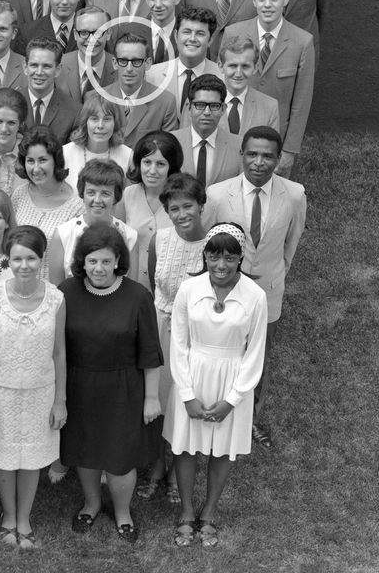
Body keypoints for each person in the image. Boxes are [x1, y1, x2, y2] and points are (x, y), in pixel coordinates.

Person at [165, 223, 268, 547]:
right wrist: (186, 394)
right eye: (213, 256)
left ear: (240, 259)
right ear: (205, 255)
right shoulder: (189, 289)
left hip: (231, 380)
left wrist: (233, 400)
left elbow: (255, 352)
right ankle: (186, 511)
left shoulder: (255, 296)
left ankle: (209, 512)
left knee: (221, 450)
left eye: (229, 258)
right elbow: (179, 344)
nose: (220, 265)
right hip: (193, 375)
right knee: (184, 446)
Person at [60, 224, 163, 543]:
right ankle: (91, 503)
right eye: (92, 261)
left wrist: (151, 397)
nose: (98, 268)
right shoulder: (66, 292)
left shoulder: (137, 296)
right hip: (79, 386)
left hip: (124, 388)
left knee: (120, 457)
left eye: (106, 261)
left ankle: (122, 511)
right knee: (86, 450)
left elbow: (150, 351)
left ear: (118, 259)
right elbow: (57, 348)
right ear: (82, 261)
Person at [205, 126, 306, 447]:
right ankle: (215, 411)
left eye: (267, 156)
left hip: (268, 292)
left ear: (278, 159)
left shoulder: (294, 194)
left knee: (258, 360)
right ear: (242, 155)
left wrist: (275, 275)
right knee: (223, 353)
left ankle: (249, 420)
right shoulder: (218, 195)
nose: (259, 162)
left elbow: (291, 244)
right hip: (225, 292)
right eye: (252, 154)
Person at [0, 225, 66, 549]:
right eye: (17, 259)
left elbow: (59, 352)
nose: (23, 265)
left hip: (41, 392)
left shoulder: (56, 298)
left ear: (41, 260)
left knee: (31, 459)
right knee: (3, 457)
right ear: (8, 260)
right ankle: (9, 515)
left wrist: (60, 401)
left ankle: (25, 517)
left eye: (30, 258)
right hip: (1, 391)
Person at [138, 172, 208, 502]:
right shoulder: (159, 240)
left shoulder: (213, 247)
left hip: (194, 337)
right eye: (174, 208)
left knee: (181, 404)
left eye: (188, 206)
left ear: (201, 205)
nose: (181, 214)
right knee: (155, 402)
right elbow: (154, 283)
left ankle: (176, 473)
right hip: (158, 327)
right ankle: (154, 467)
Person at [222, 0, 316, 175]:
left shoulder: (302, 42)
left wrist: (289, 150)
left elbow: (301, 103)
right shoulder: (233, 33)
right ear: (254, 0)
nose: (267, 4)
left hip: (275, 142)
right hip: (234, 133)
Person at [10, 127, 83, 282]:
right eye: (30, 161)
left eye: (43, 160)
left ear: (55, 160)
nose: (36, 169)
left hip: (56, 293)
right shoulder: (19, 195)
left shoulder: (77, 205)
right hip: (18, 288)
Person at [49, 159, 139, 285]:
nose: (97, 200)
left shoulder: (129, 236)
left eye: (105, 194)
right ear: (82, 193)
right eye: (91, 192)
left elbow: (132, 290)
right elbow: (56, 291)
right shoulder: (63, 234)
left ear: (116, 196)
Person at [123, 131, 184, 284]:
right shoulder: (127, 195)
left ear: (172, 167)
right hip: (133, 286)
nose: (152, 170)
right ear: (139, 163)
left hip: (171, 288)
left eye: (161, 164)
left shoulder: (183, 199)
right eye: (147, 162)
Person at [146, 5, 219, 115]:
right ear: (176, 36)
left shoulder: (223, 77)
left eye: (200, 33)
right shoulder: (151, 76)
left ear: (210, 40)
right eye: (187, 32)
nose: (192, 38)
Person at [171, 75, 242, 187]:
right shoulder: (171, 142)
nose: (207, 112)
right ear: (189, 108)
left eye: (214, 106)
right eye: (200, 105)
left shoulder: (239, 146)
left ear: (223, 109)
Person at [63, 94, 134, 188]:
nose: (100, 125)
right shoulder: (65, 153)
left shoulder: (128, 156)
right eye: (94, 119)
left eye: (107, 119)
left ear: (115, 123)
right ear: (85, 123)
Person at [215, 36, 281, 136]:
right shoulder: (202, 102)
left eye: (245, 66)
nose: (238, 73)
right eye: (233, 66)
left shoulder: (269, 107)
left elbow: (271, 149)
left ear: (255, 68)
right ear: (220, 66)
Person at [20, 36, 81, 144]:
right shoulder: (10, 105)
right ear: (25, 67)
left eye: (46, 66)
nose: (39, 72)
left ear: (57, 70)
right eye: (34, 65)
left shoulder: (74, 111)